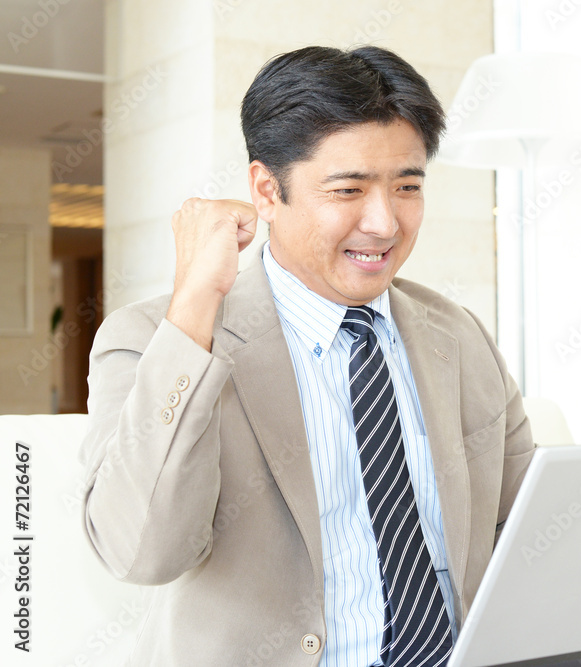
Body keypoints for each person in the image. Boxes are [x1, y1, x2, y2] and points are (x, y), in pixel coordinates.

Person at [79, 45, 535, 666]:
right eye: (348, 190)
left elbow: (528, 533)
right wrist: (195, 306)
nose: (384, 223)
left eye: (407, 187)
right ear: (267, 190)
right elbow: (141, 553)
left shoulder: (460, 335)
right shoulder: (154, 340)